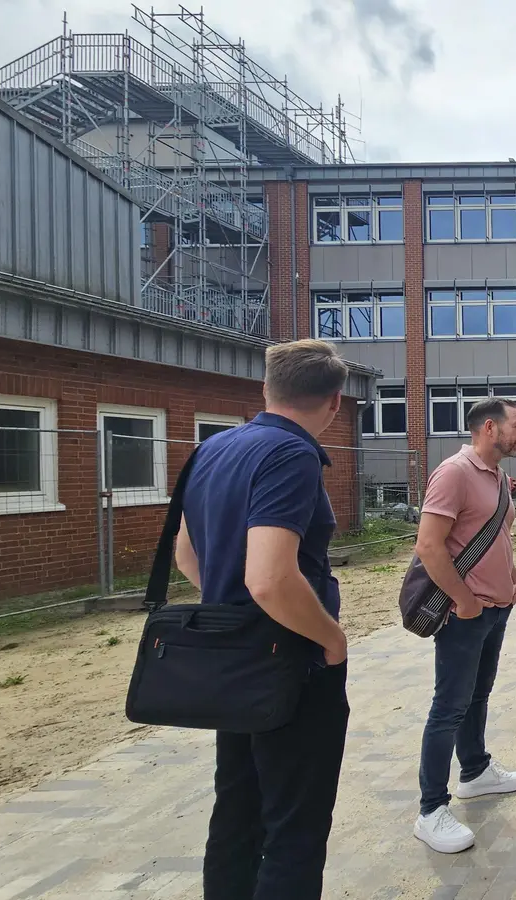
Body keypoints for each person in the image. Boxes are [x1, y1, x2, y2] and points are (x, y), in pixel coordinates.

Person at [175, 338, 352, 900]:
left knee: (237, 811)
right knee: (294, 828)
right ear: (335, 402)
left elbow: (186, 553)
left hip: (234, 661)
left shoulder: (215, 448)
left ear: (266, 390)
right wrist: (332, 639)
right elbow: (269, 578)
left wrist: (234, 613)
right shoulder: (292, 455)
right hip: (289, 664)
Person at [411, 397, 516, 854]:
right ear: (489, 428)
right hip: (466, 613)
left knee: (477, 694)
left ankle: (476, 771)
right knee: (449, 706)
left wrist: (513, 577)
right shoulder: (454, 473)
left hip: (494, 608)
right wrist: (463, 602)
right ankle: (431, 809)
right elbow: (429, 544)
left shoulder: (497, 476)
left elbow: (496, 535)